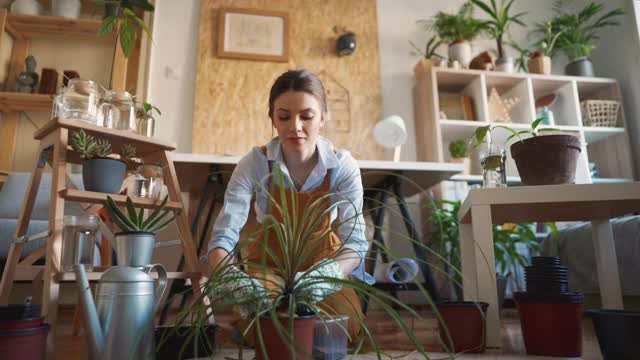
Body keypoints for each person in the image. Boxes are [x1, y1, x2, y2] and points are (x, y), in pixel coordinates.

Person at [207, 68, 373, 343]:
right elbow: (223, 237)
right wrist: (232, 279)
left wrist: (328, 274)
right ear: (272, 119)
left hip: (322, 263)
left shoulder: (342, 166)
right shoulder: (255, 164)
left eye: (306, 116)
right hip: (268, 264)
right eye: (284, 116)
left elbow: (354, 243)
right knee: (265, 323)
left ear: (323, 118)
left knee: (346, 327)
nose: (295, 126)